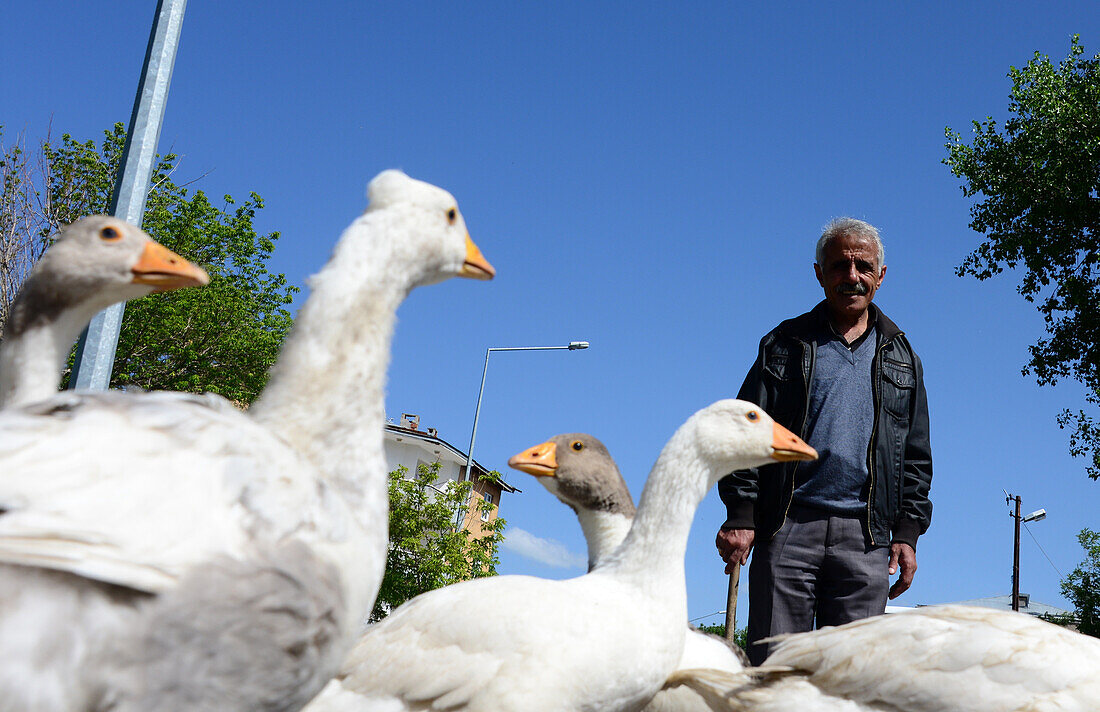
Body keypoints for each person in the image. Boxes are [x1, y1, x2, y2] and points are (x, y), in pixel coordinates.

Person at [715, 217, 932, 666]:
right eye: (839, 265)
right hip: (787, 528)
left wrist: (908, 533)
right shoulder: (784, 344)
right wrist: (741, 514)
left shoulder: (904, 358)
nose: (851, 276)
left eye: (863, 266)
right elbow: (743, 430)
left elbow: (915, 457)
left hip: (867, 540)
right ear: (819, 273)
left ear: (881, 275)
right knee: (775, 673)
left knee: (849, 681)